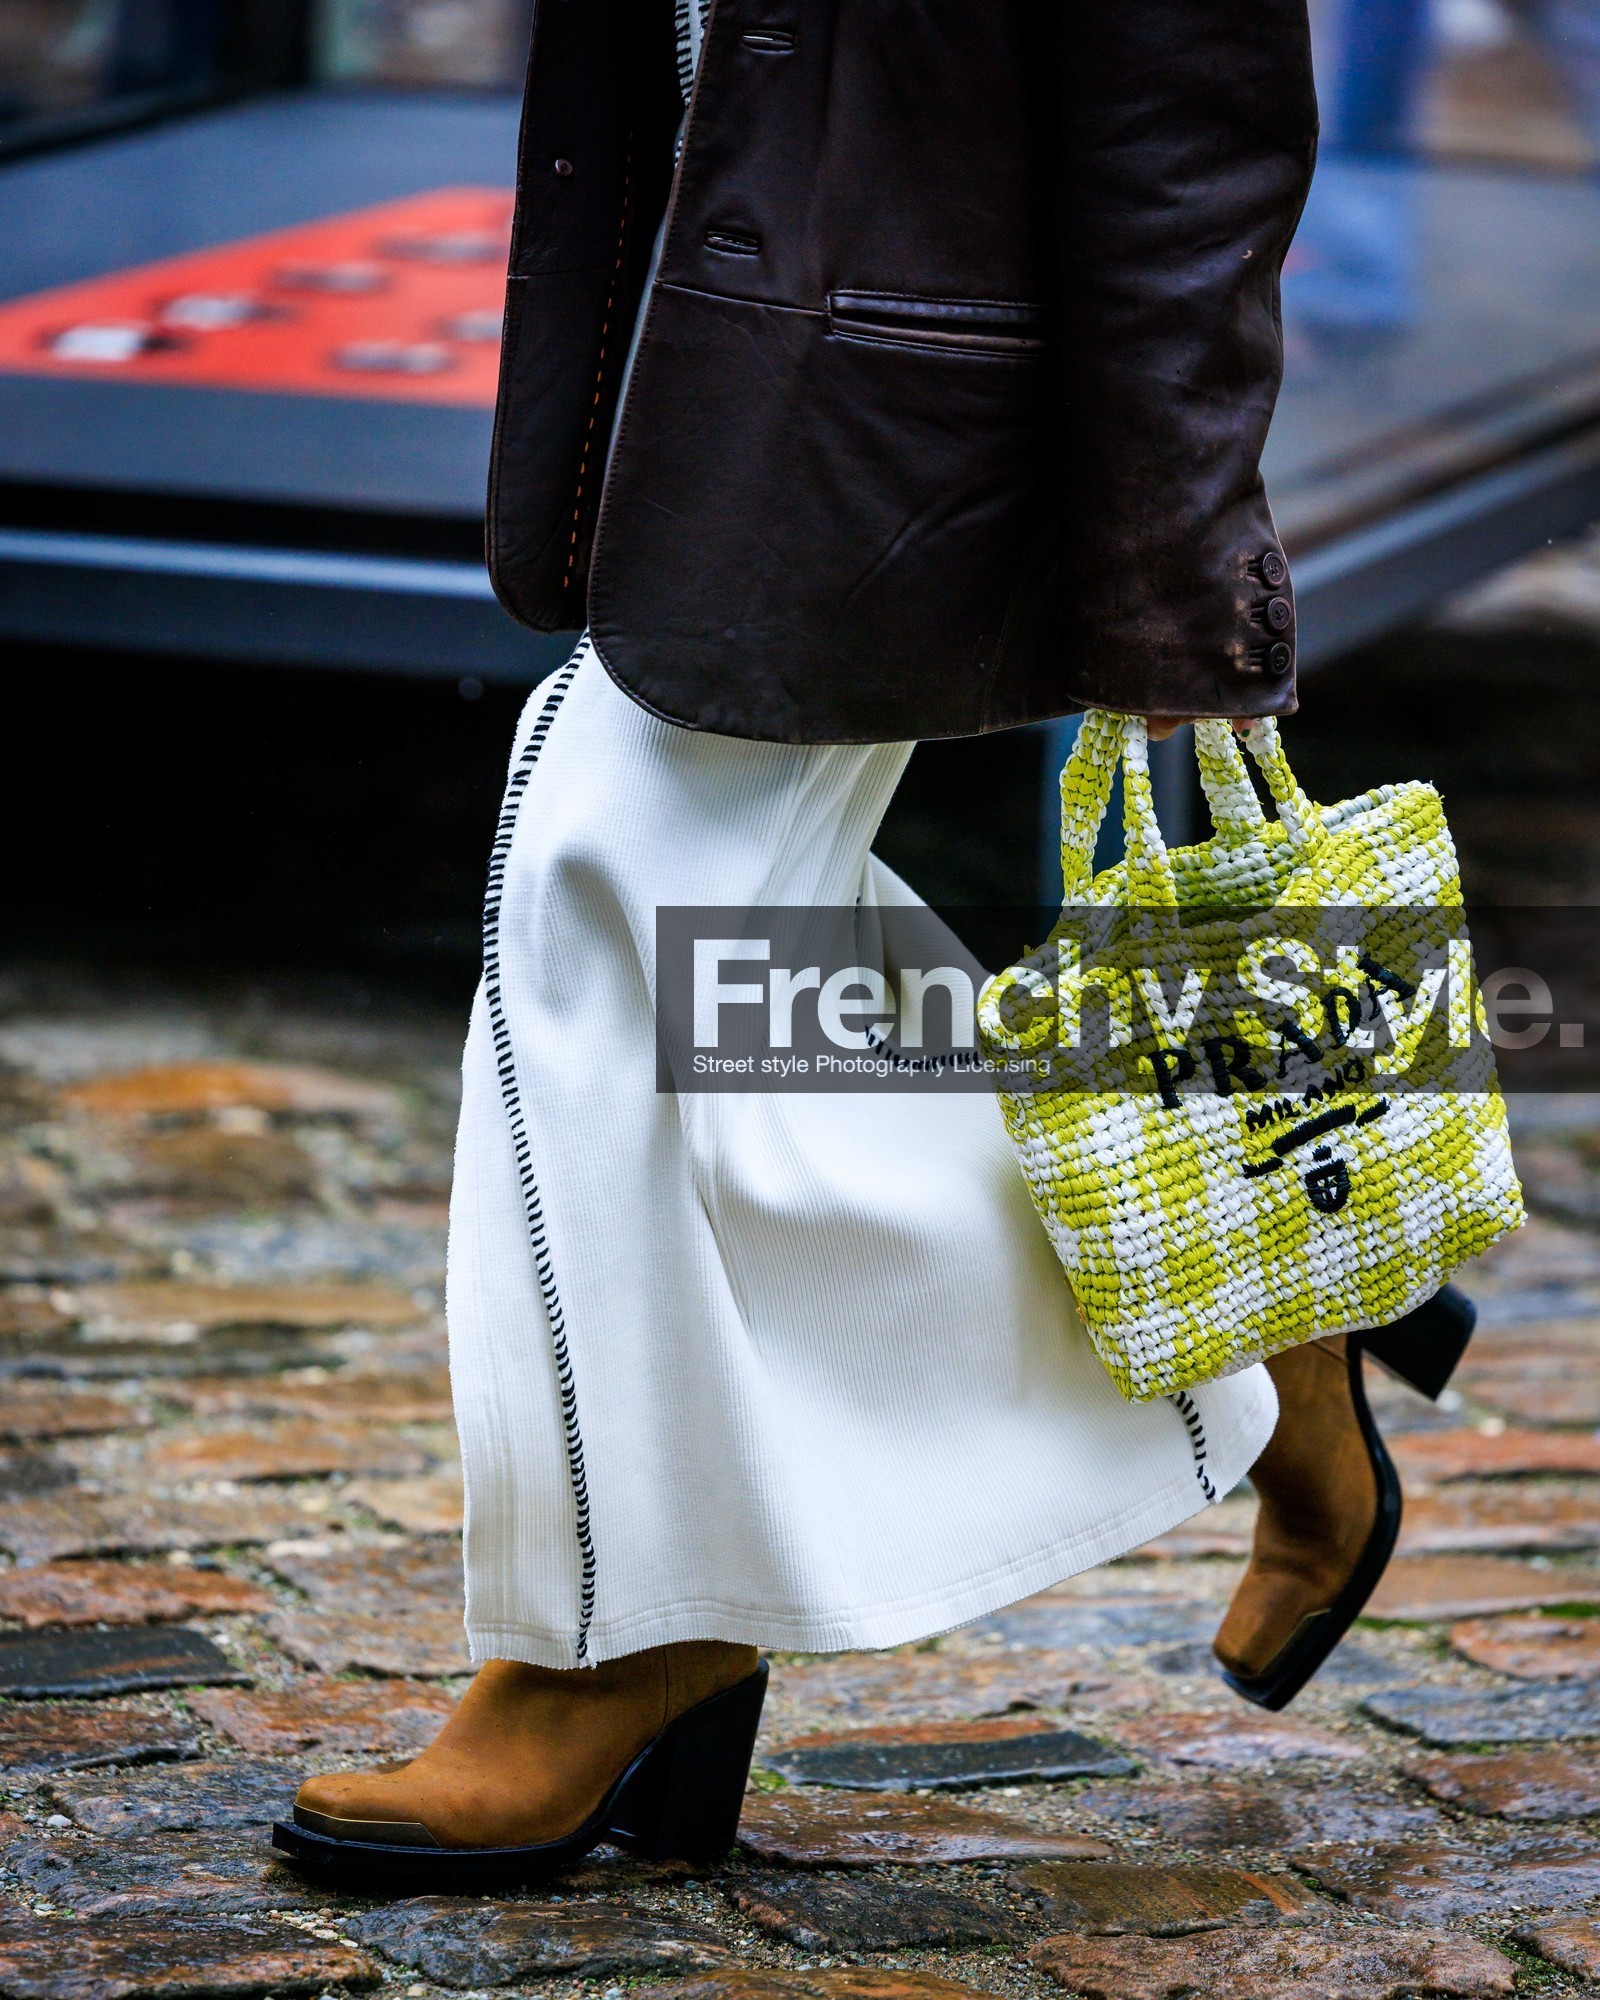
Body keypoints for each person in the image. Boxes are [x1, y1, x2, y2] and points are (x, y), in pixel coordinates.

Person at [276, 0, 1461, 1886]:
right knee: (719, 995)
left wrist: (1184, 571)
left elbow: (1189, 134)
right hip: (700, 374)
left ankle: (615, 1636)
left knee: (599, 894)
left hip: (899, 415)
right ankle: (1261, 1330)